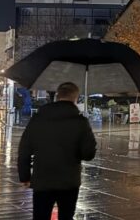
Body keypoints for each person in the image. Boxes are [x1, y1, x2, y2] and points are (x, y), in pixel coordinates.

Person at [18, 82, 97, 220]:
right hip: (69, 181)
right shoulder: (80, 122)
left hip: (42, 179)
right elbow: (88, 154)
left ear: (58, 96)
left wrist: (24, 176)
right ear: (75, 98)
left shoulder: (38, 118)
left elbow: (24, 149)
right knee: (66, 217)